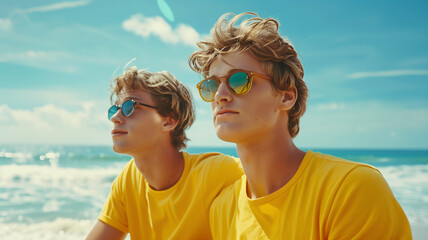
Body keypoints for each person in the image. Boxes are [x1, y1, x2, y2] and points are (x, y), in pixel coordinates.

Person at [189, 12, 412, 239]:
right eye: (211, 85)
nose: (220, 95)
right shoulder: (222, 208)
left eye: (238, 80)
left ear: (286, 96)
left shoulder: (349, 189)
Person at [86, 67, 243, 239]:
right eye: (114, 109)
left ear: (169, 121)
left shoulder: (218, 174)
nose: (115, 117)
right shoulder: (128, 181)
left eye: (129, 106)